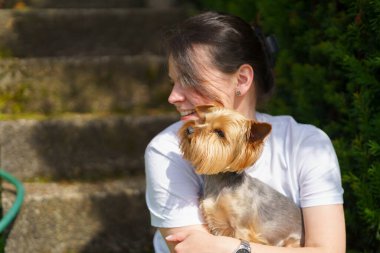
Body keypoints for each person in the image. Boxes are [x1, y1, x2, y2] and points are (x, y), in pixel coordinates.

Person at [145, 11, 345, 253]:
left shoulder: (307, 144)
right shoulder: (167, 150)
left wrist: (230, 247)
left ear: (241, 80)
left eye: (190, 81)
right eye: (172, 82)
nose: (173, 97)